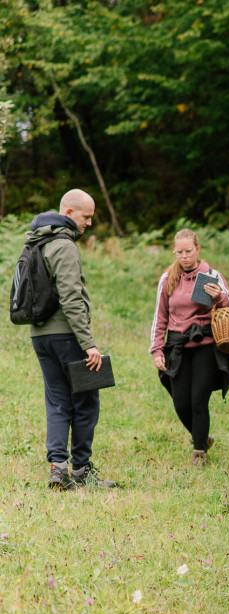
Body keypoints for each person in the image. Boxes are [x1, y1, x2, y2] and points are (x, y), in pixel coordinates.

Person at [27, 189, 114, 489]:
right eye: (86, 217)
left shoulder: (37, 240)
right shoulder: (64, 245)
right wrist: (89, 344)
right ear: (69, 213)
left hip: (40, 335)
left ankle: (58, 469)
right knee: (87, 400)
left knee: (57, 401)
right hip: (67, 335)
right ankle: (81, 470)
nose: (89, 223)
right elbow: (72, 298)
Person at [150, 229, 229, 467]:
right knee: (180, 401)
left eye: (188, 251)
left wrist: (219, 297)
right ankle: (202, 436)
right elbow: (160, 316)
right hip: (177, 345)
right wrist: (157, 350)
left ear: (198, 250)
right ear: (174, 251)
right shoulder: (168, 278)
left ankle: (199, 452)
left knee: (198, 399)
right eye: (179, 252)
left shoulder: (211, 275)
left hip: (205, 344)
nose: (184, 256)